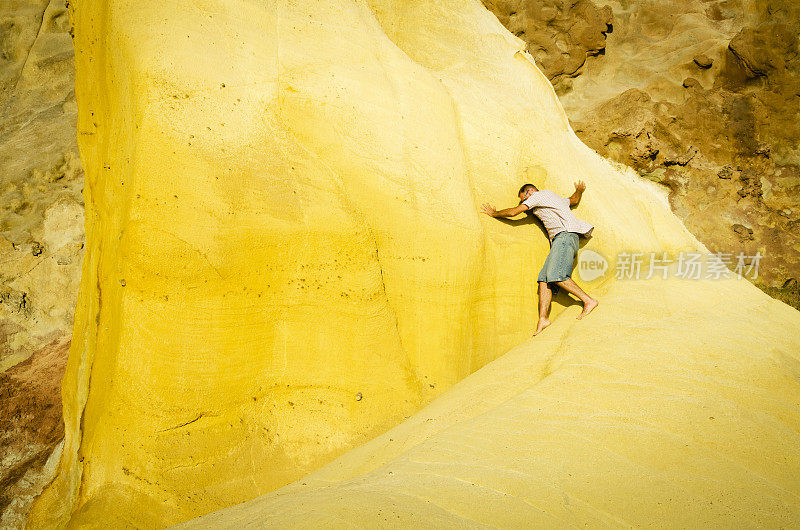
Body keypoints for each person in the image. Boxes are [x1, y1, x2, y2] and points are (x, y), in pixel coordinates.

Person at [480, 181, 599, 336]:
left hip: (565, 236)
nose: (524, 202)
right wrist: (579, 190)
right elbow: (573, 200)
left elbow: (514, 212)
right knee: (544, 279)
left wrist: (493, 213)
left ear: (530, 192)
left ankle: (588, 300)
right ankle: (543, 319)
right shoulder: (553, 197)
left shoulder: (538, 196)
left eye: (523, 199)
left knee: (557, 275)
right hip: (561, 239)